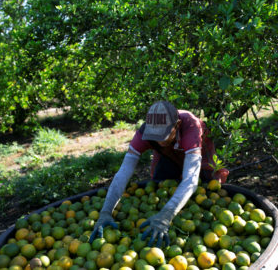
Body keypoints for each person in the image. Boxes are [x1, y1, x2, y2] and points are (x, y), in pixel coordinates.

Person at [89, 101, 229, 247]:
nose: (160, 140)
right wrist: (106, 211)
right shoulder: (144, 133)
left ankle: (181, 210)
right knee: (163, 185)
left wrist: (166, 216)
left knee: (205, 187)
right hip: (169, 155)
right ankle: (172, 205)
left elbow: (191, 179)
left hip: (197, 152)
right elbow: (123, 172)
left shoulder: (190, 127)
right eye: (156, 135)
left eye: (164, 135)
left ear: (177, 125)